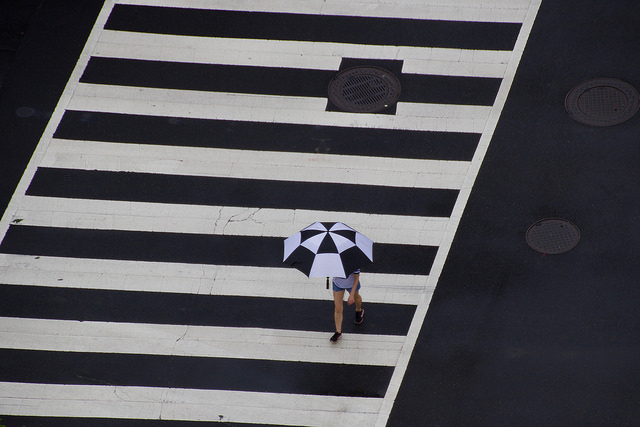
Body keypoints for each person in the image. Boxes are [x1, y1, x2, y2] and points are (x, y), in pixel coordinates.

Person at [330, 269, 364, 342]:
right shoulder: (333, 261)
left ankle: (359, 310)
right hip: (337, 284)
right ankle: (338, 332)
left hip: (352, 285)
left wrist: (351, 295)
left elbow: (356, 278)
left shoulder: (353, 260)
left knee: (356, 297)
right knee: (338, 309)